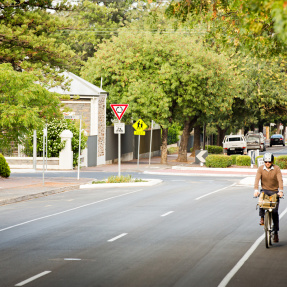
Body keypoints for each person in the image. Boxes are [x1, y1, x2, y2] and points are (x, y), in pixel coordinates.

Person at [254, 152, 284, 243]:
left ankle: (275, 233)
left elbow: (280, 180)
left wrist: (281, 191)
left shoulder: (276, 169)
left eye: (269, 162)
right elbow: (257, 179)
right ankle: (262, 217)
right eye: (266, 162)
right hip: (265, 190)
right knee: (261, 202)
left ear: (272, 161)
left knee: (275, 212)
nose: (267, 163)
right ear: (264, 161)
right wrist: (256, 190)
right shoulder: (260, 169)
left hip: (275, 191)